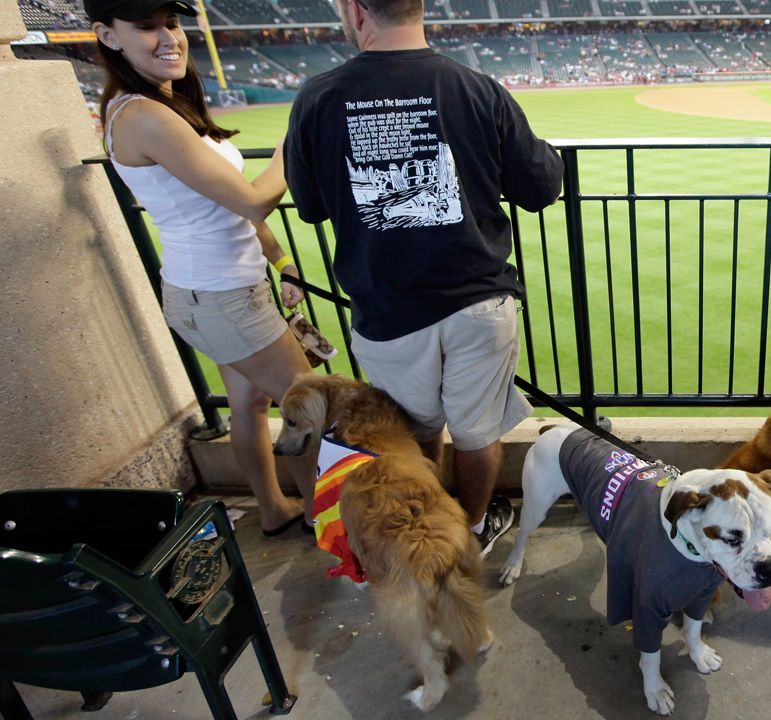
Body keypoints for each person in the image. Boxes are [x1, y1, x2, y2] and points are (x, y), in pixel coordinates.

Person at [283, 0, 564, 556]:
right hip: (477, 300)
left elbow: (310, 206)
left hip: (386, 310)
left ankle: (427, 536)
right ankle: (472, 530)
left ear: (355, 10)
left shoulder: (317, 97)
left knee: (411, 435)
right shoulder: (477, 89)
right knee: (477, 432)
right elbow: (540, 186)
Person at [87, 0, 315, 535]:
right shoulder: (144, 115)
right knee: (309, 404)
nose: (169, 37)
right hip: (222, 298)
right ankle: (324, 515)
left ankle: (275, 509)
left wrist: (281, 261)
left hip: (210, 292)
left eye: (171, 23)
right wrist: (292, 146)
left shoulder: (153, 105)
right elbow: (252, 201)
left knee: (250, 404)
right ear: (108, 35)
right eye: (146, 26)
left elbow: (225, 208)